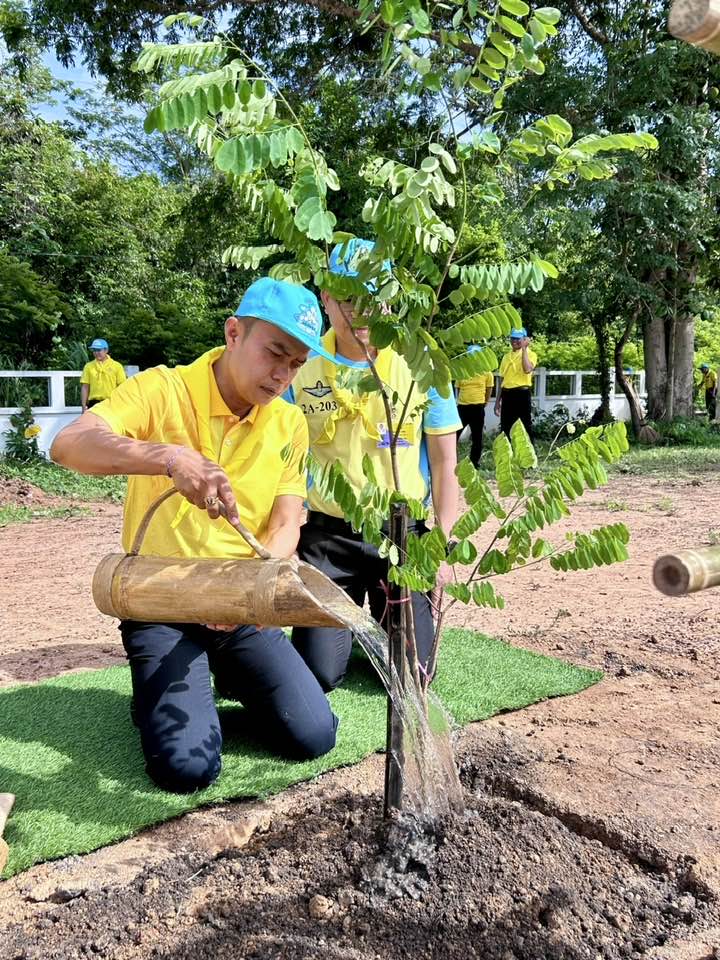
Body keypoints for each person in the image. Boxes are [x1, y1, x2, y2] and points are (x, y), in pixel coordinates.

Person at [50, 277, 340, 794]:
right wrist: (169, 457)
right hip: (161, 600)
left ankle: (196, 693)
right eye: (275, 353)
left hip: (240, 601)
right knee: (185, 769)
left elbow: (284, 526)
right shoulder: (163, 390)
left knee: (315, 735)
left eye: (296, 364)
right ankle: (168, 708)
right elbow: (69, 445)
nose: (282, 375)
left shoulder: (290, 422)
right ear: (233, 333)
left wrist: (245, 599)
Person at [286, 239, 461, 692]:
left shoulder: (421, 363)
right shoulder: (299, 364)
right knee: (318, 675)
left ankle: (386, 629)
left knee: (416, 675)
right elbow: (278, 462)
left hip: (402, 537)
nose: (361, 312)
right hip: (330, 537)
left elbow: (445, 466)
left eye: (373, 297)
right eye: (347, 299)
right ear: (326, 298)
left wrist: (441, 547)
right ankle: (348, 631)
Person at [494, 327, 537, 440]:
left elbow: (527, 369)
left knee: (525, 426)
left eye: (518, 339)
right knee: (505, 426)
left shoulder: (531, 354)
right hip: (507, 394)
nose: (514, 341)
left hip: (522, 394)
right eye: (513, 338)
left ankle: (530, 453)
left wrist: (524, 349)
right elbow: (502, 380)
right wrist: (497, 401)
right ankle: (508, 454)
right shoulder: (506, 357)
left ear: (525, 340)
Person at [455, 344, 495, 467]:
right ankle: (452, 461)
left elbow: (489, 388)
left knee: (477, 437)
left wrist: (485, 402)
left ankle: (474, 463)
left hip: (478, 407)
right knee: (454, 435)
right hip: (462, 407)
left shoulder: (486, 372)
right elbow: (457, 388)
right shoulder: (462, 371)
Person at [80, 339, 127, 412]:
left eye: (98, 350)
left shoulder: (117, 366)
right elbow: (85, 387)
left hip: (111, 403)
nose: (96, 353)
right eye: (94, 350)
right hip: (93, 403)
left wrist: (121, 404)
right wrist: (83, 406)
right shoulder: (88, 366)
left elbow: (122, 387)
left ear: (106, 350)